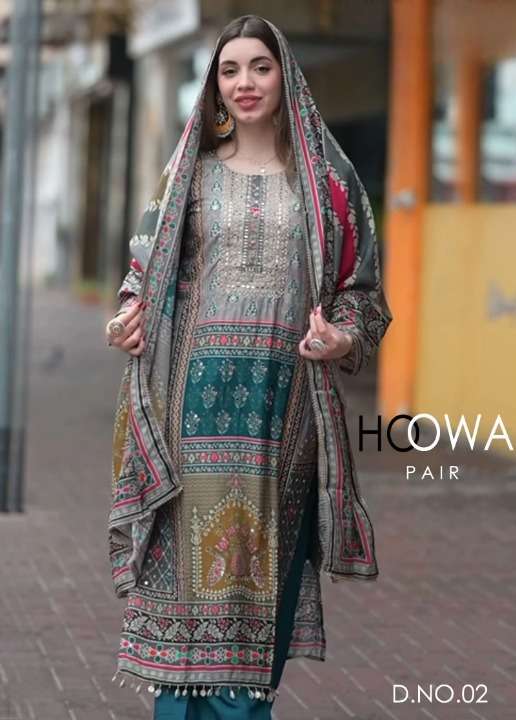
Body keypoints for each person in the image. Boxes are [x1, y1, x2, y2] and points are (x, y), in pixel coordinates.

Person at [106, 14, 392, 720]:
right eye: (229, 70)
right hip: (192, 412)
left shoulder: (328, 183)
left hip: (283, 417)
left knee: (259, 593)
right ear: (213, 86)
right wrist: (129, 316)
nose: (245, 83)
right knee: (186, 589)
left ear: (285, 76)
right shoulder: (188, 176)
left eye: (260, 67)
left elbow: (362, 293)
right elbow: (145, 273)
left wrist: (342, 339)